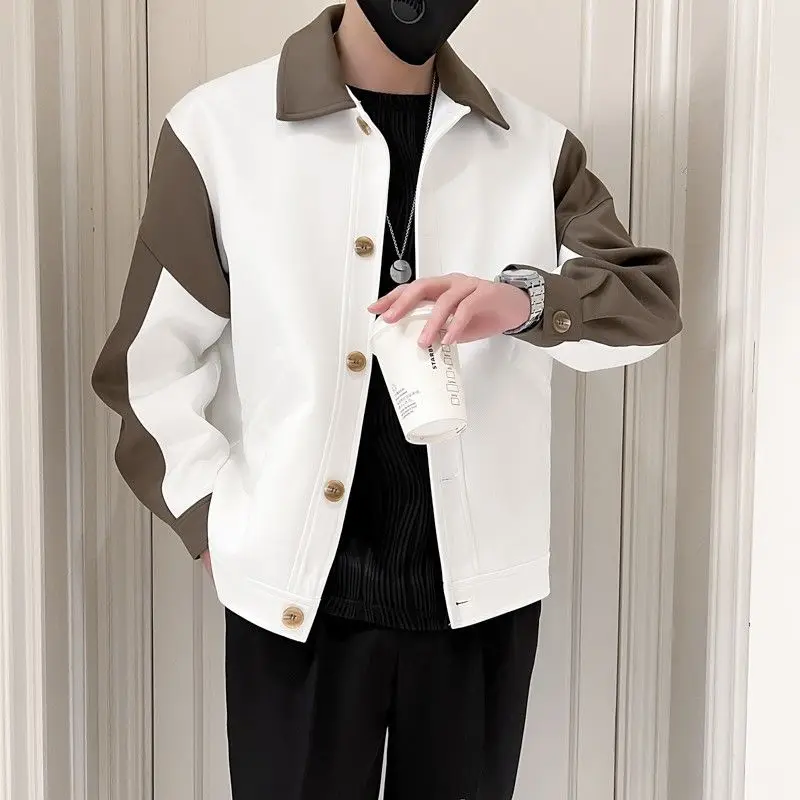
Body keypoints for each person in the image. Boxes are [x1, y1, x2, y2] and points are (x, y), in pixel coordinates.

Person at [92, 2, 682, 798]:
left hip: (478, 606)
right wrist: (211, 523)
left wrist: (525, 302)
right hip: (295, 601)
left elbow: (647, 307)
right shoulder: (219, 132)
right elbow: (148, 365)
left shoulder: (534, 149)